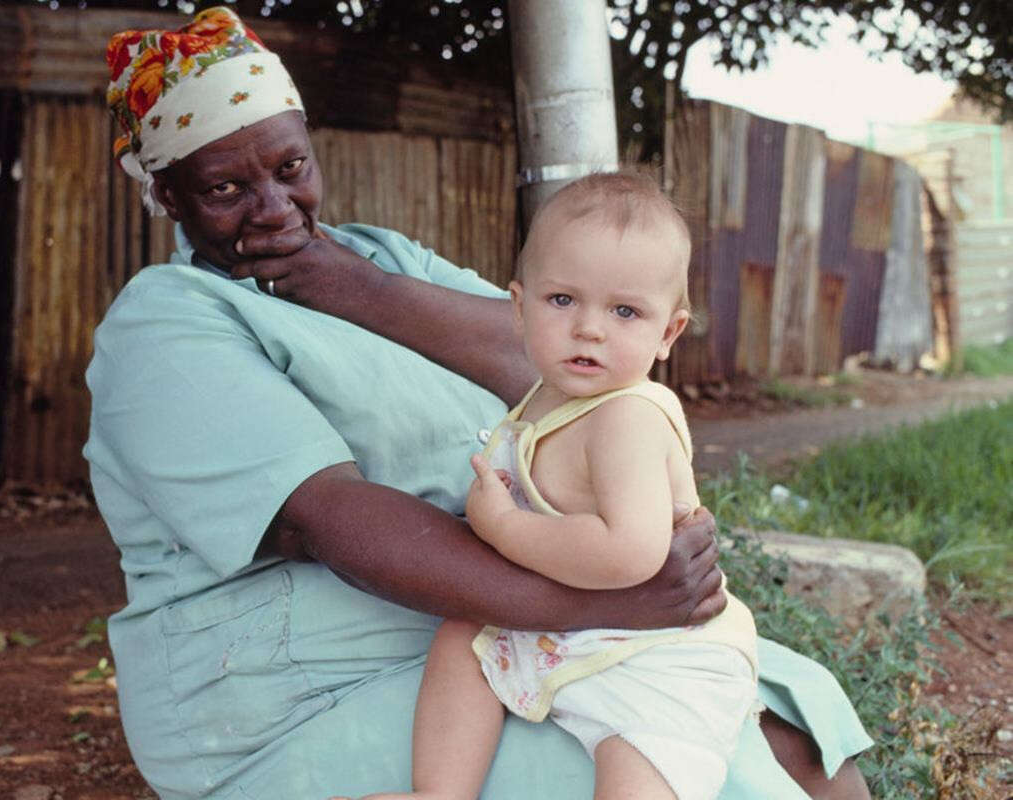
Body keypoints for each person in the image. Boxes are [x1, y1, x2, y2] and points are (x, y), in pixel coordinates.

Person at [85, 8, 873, 799]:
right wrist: (609, 597)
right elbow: (319, 520)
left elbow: (548, 353)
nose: (272, 208)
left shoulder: (379, 260)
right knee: (723, 775)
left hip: (486, 628)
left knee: (802, 733)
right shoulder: (168, 320)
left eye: (289, 169)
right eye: (226, 187)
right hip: (294, 683)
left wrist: (358, 288)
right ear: (168, 193)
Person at [343, 173, 759, 800]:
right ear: (518, 306)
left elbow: (631, 554)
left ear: (668, 334)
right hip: (570, 622)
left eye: (625, 311)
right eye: (562, 300)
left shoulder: (628, 418)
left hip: (657, 655)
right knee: (463, 638)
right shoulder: (545, 398)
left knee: (640, 766)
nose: (589, 328)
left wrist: (506, 527)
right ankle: (439, 790)